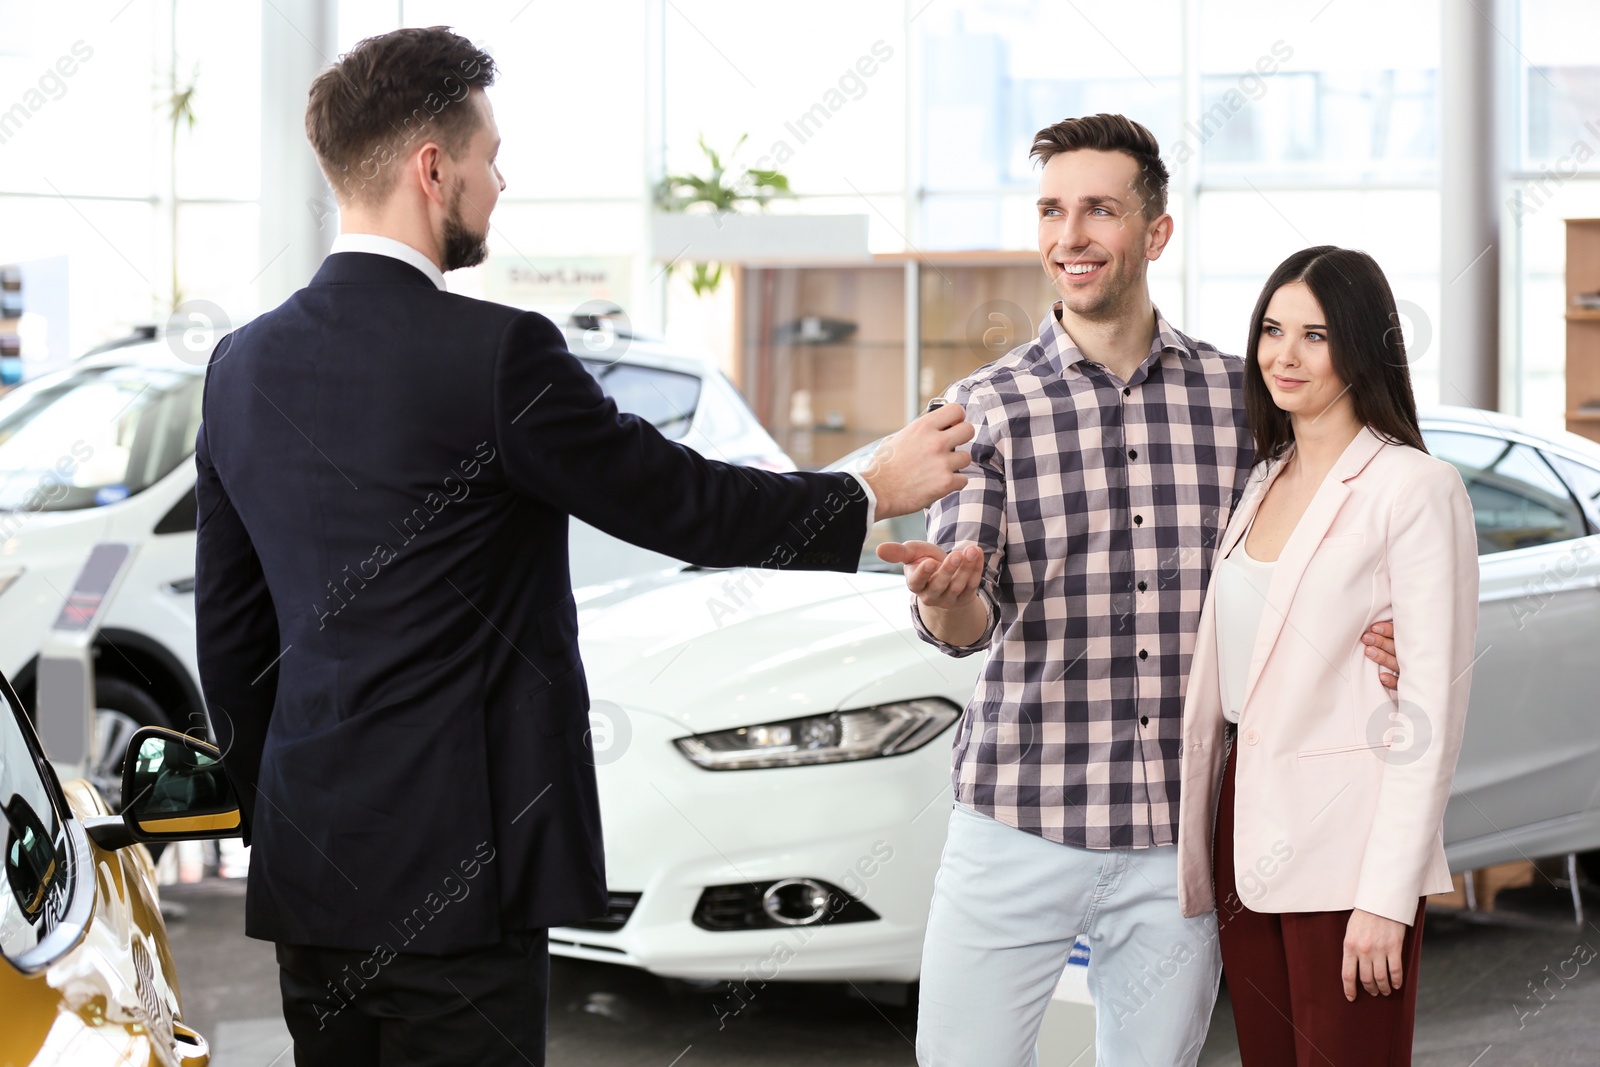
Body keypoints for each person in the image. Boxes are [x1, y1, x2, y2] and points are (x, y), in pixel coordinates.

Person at [193, 27, 972, 1067]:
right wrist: (869, 488)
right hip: (461, 876)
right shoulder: (495, 352)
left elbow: (233, 634)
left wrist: (274, 812)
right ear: (434, 170)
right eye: (490, 156)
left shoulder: (241, 366)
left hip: (313, 866)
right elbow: (671, 498)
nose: (499, 182)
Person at [878, 114, 1403, 1066]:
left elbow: (1329, 549)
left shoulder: (1244, 400)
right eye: (1050, 209)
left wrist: (1389, 626)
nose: (1068, 234)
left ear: (1154, 233)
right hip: (1018, 823)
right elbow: (964, 621)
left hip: (1181, 842)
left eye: (1098, 210)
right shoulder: (982, 407)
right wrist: (944, 595)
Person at [1174, 246, 1478, 1066]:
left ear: (1361, 346)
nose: (1285, 353)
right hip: (1245, 817)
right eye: (1273, 330)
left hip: (1349, 837)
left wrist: (1388, 896)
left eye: (1315, 334)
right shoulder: (1263, 478)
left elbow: (1431, 714)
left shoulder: (1413, 486)